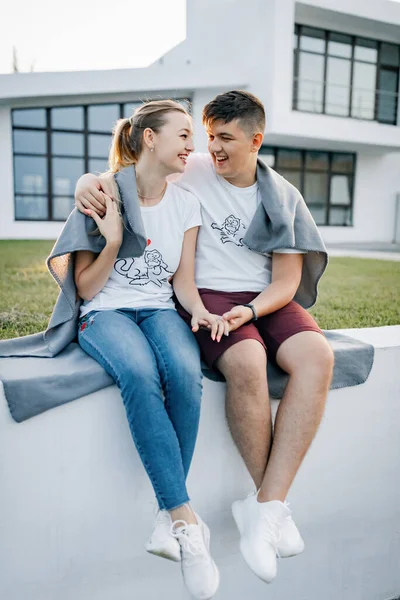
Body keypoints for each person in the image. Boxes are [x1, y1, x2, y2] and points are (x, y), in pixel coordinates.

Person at [75, 90, 334, 585]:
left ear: (256, 140)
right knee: (246, 363)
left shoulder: (281, 196)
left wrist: (251, 310)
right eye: (206, 135)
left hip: (260, 297)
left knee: (318, 356)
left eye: (224, 139)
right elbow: (128, 164)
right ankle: (232, 512)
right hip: (200, 294)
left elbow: (284, 282)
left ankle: (267, 506)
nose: (210, 148)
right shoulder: (189, 165)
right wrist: (88, 182)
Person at [74, 99, 221, 600]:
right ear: (150, 139)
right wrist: (112, 242)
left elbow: (182, 283)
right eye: (183, 135)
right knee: (138, 373)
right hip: (105, 313)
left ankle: (167, 514)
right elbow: (87, 290)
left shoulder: (186, 204)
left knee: (184, 371)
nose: (192, 146)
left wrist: (198, 311)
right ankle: (187, 524)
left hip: (160, 309)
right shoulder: (103, 192)